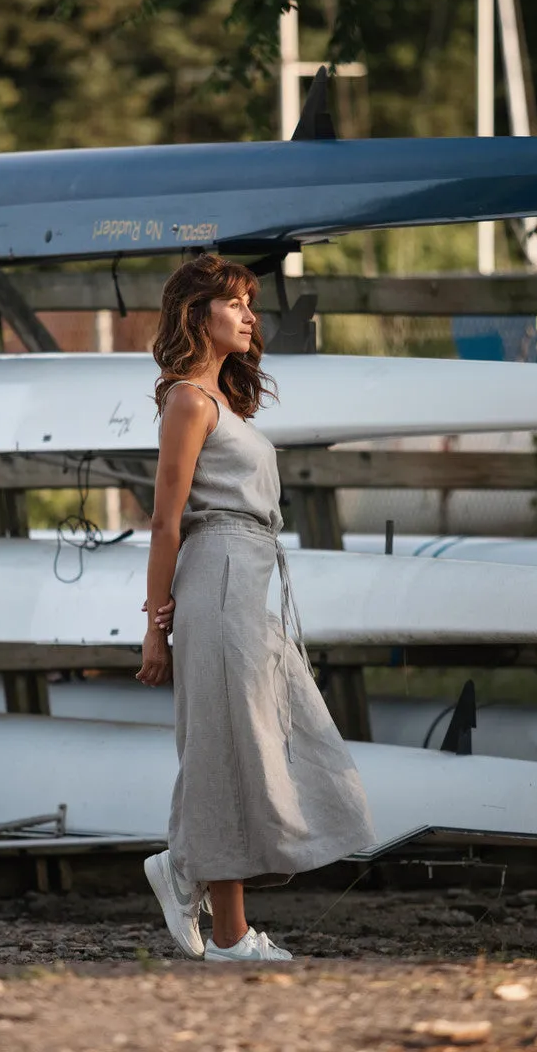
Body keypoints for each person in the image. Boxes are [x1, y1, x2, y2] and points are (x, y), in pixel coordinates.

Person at [138, 253, 376, 963]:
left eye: (250, 303)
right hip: (214, 582)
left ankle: (186, 867)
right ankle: (228, 931)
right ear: (196, 315)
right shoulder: (188, 400)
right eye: (234, 302)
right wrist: (156, 629)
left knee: (258, 740)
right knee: (229, 747)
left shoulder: (225, 404)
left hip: (246, 587)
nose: (248, 315)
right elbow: (164, 522)